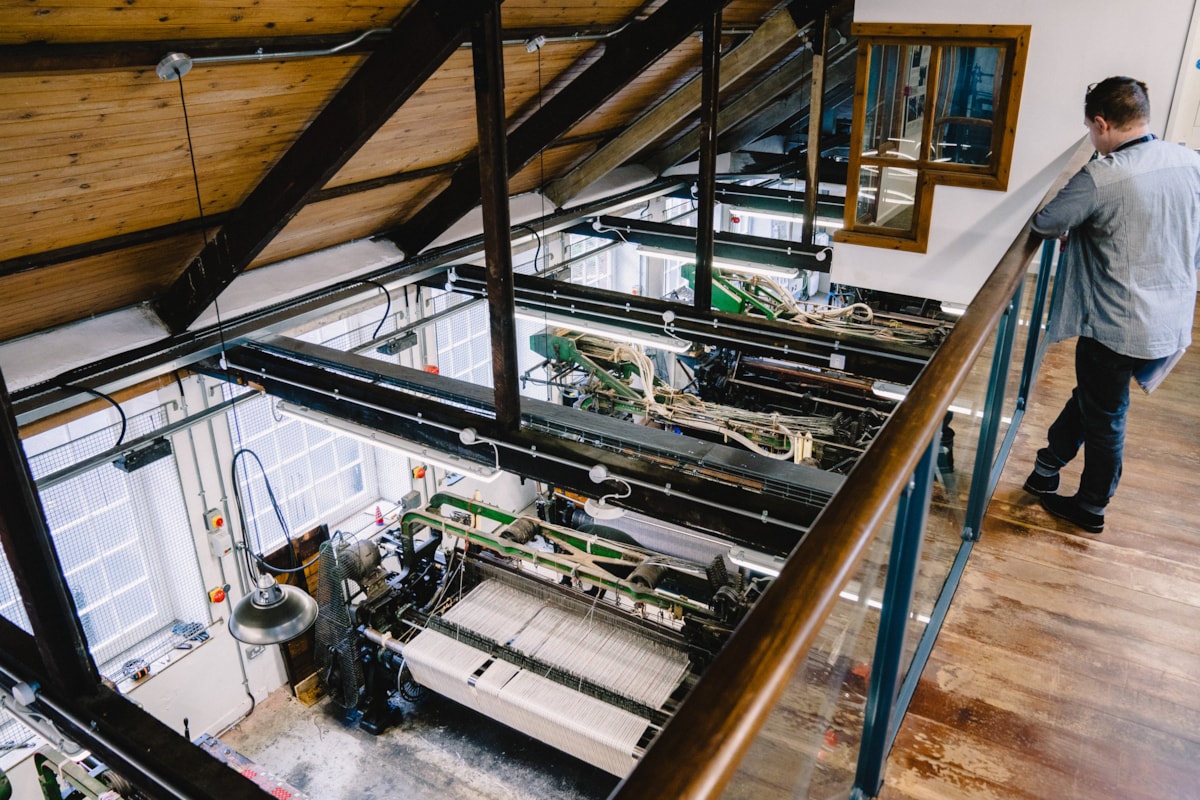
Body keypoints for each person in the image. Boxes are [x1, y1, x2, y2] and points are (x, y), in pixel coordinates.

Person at [1023, 76, 1200, 534]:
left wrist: (1077, 225)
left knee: (1106, 415)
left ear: (1102, 124)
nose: (1091, 138)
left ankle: (1091, 507)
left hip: (1117, 323)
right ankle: (1047, 464)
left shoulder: (1103, 175)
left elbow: (1047, 222)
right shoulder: (1188, 160)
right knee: (1095, 398)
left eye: (1090, 129)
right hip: (1170, 317)